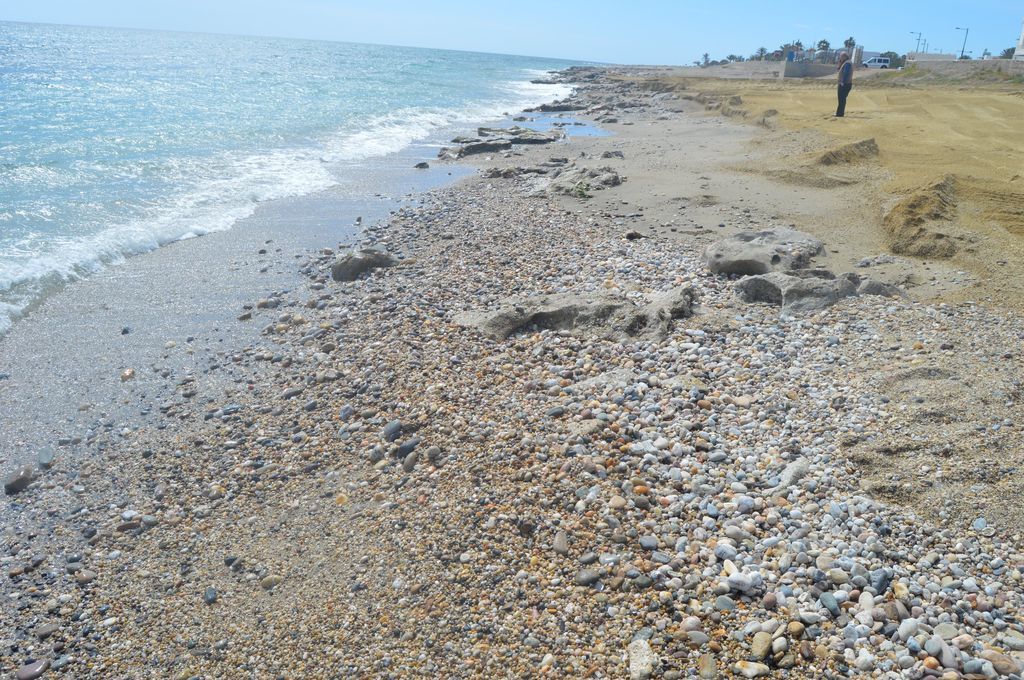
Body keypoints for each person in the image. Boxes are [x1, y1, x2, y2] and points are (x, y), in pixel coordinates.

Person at [836, 52, 853, 117]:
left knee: (842, 99)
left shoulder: (847, 63)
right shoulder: (845, 63)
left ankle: (840, 114)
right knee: (841, 99)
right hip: (845, 84)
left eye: (841, 56)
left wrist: (842, 82)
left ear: (844, 57)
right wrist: (840, 62)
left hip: (845, 84)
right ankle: (839, 113)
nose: (840, 57)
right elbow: (838, 68)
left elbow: (846, 73)